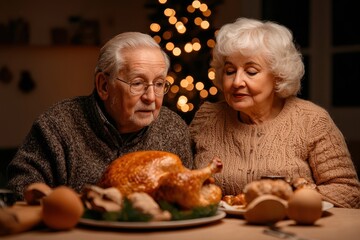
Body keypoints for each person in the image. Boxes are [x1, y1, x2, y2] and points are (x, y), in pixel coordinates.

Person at [189, 18, 360, 208]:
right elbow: (181, 182)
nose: (237, 82)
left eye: (251, 71)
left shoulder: (311, 120)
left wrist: (289, 197)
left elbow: (348, 192)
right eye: (230, 71)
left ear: (278, 76)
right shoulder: (207, 118)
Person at [6, 32, 193, 199]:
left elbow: (188, 199)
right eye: (137, 83)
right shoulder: (56, 126)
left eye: (159, 84)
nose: (151, 97)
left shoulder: (174, 129)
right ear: (104, 86)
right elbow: (20, 192)